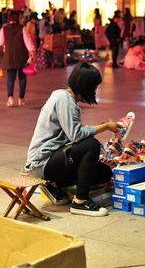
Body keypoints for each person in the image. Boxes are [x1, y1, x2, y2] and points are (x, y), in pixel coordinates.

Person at [24, 63, 123, 216]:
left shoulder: (61, 95)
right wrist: (104, 127)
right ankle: (80, 201)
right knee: (91, 145)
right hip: (42, 163)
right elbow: (76, 135)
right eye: (94, 87)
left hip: (50, 160)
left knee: (103, 172)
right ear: (86, 86)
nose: (94, 91)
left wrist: (102, 126)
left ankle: (57, 186)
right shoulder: (65, 100)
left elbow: (72, 133)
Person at [0, 11, 35, 107]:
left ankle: (10, 99)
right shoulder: (22, 28)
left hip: (9, 56)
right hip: (22, 56)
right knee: (22, 78)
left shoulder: (4, 28)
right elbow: (28, 42)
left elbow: (0, 43)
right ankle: (21, 99)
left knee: (10, 79)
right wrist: (32, 52)